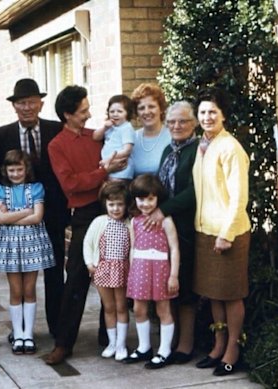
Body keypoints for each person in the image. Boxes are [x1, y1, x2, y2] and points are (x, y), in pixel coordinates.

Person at [44, 85, 126, 365]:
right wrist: (103, 172)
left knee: (114, 271)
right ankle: (64, 343)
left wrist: (103, 173)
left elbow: (120, 158)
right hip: (84, 213)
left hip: (112, 209)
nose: (89, 114)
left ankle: (109, 337)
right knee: (77, 276)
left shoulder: (97, 137)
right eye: (83, 111)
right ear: (67, 115)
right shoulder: (57, 145)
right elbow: (71, 184)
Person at [0, 78, 67, 340]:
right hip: (18, 221)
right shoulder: (1, 136)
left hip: (54, 214)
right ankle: (22, 329)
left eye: (32, 102)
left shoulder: (58, 130)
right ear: (14, 106)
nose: (27, 107)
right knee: (22, 277)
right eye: (22, 103)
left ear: (41, 104)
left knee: (55, 272)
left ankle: (58, 329)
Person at [192, 87, 251, 376]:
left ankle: (233, 349)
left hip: (229, 233)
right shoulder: (202, 145)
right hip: (205, 231)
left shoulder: (230, 148)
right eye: (202, 112)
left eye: (213, 111)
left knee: (231, 294)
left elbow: (239, 197)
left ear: (224, 114)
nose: (207, 117)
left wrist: (226, 233)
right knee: (213, 294)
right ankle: (218, 345)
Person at [141, 101, 200, 366]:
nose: (177, 126)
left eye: (183, 121)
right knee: (168, 285)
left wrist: (163, 210)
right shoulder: (168, 149)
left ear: (194, 123)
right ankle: (171, 340)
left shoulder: (198, 150)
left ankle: (185, 345)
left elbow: (195, 190)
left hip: (185, 226)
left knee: (184, 285)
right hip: (163, 227)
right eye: (172, 122)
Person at [0, 150, 56, 355]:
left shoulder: (36, 188)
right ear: (5, 170)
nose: (16, 173)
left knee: (29, 289)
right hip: (10, 244)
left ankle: (28, 334)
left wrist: (13, 216)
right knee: (15, 290)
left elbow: (38, 218)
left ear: (26, 169)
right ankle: (17, 334)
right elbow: (1, 219)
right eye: (12, 170)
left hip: (32, 242)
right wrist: (26, 211)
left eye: (20, 169)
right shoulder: (1, 190)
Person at [123, 174, 180, 369]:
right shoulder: (135, 221)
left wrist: (173, 275)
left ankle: (164, 351)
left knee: (163, 309)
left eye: (150, 199)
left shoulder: (165, 220)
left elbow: (174, 248)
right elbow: (133, 247)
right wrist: (131, 272)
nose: (146, 204)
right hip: (140, 268)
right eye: (141, 199)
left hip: (161, 269)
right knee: (139, 309)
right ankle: (144, 347)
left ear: (158, 198)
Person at [83, 181, 131, 361]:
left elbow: (132, 248)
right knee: (109, 307)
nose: (116, 208)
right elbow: (88, 243)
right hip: (103, 268)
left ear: (126, 205)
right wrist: (89, 263)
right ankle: (111, 343)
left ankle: (121, 344)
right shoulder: (99, 222)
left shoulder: (129, 224)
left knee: (121, 306)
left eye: (120, 204)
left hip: (121, 269)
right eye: (112, 204)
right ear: (105, 204)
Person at [130, 83, 171, 177]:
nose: (147, 112)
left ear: (161, 109)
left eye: (151, 106)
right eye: (141, 108)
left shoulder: (172, 137)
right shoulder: (131, 138)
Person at [92, 94, 136, 181]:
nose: (115, 114)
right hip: (109, 167)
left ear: (127, 113)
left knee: (115, 192)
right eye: (112, 112)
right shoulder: (109, 127)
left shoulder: (126, 128)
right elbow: (95, 137)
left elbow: (127, 150)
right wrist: (105, 128)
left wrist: (109, 159)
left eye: (120, 111)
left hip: (122, 170)